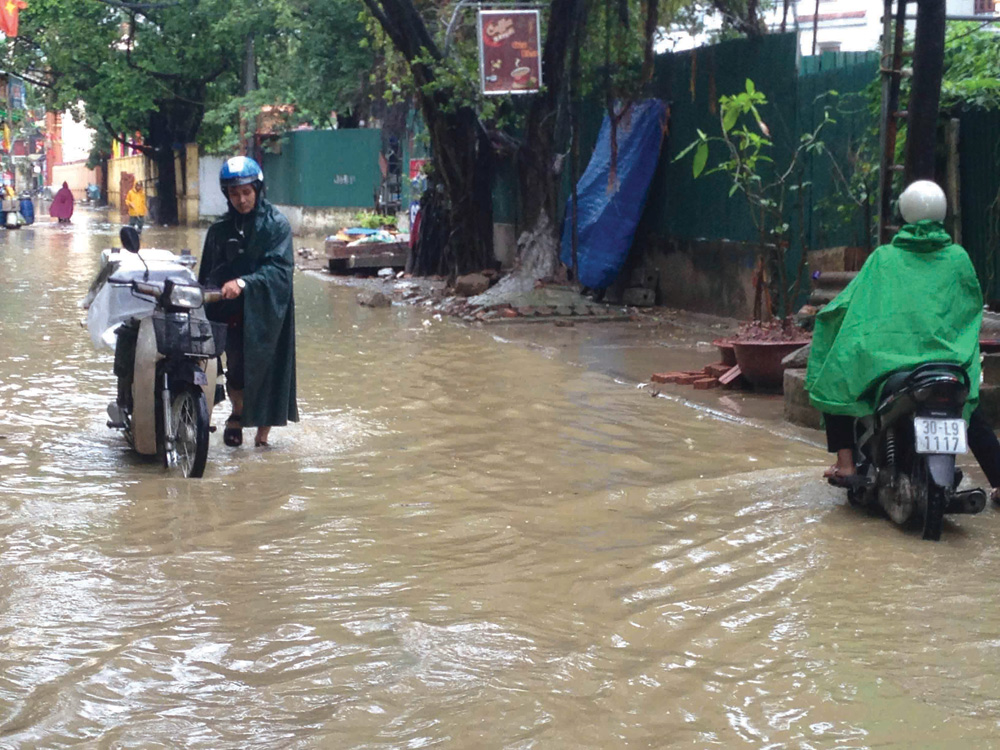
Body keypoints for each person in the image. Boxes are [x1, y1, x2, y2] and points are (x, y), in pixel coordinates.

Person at [806, 180, 1000, 497]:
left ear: (904, 213)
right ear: (943, 214)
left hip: (889, 364)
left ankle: (845, 464)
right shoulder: (958, 258)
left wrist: (828, 317)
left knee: (837, 374)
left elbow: (852, 304)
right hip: (949, 361)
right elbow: (970, 309)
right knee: (968, 407)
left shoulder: (884, 258)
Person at [197, 156, 298, 448]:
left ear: (257, 189)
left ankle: (262, 438)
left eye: (246, 192)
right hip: (230, 312)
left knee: (268, 370)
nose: (241, 199)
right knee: (235, 367)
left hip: (267, 312)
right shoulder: (219, 230)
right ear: (226, 195)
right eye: (234, 193)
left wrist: (244, 283)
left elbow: (280, 269)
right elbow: (208, 274)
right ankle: (237, 414)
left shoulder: (276, 225)